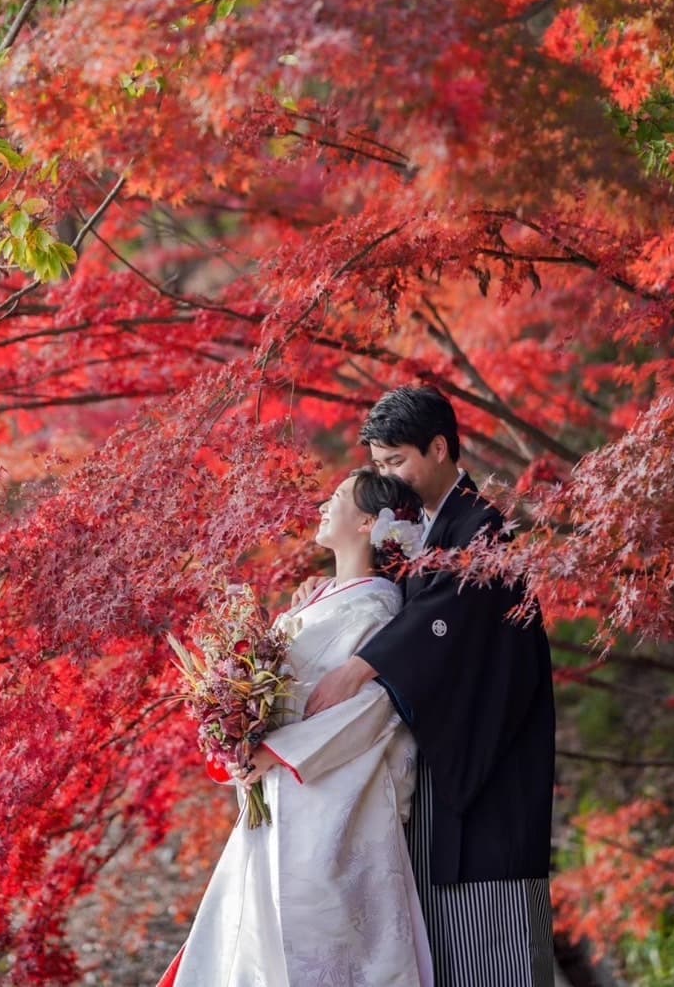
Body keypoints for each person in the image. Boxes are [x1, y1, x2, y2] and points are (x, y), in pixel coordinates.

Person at [305, 385, 555, 987]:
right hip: (444, 765)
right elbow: (385, 601)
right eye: (379, 464)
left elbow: (448, 613)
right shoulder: (419, 532)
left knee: (496, 946)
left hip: (490, 759)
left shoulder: (481, 526)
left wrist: (362, 665)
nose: (389, 476)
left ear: (439, 447)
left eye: (396, 461)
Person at [158, 470, 434, 987]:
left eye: (336, 499)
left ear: (370, 523)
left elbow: (373, 708)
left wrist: (278, 753)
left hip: (333, 801)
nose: (323, 506)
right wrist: (241, 737)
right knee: (256, 941)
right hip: (280, 793)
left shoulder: (378, 607)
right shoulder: (319, 597)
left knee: (321, 945)